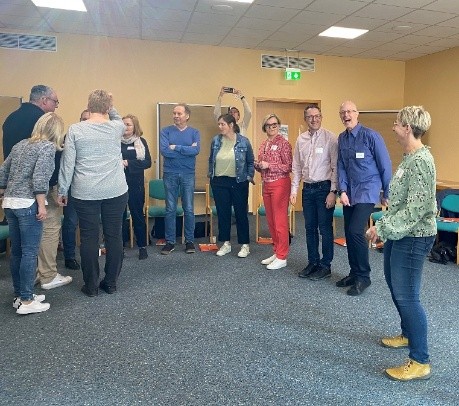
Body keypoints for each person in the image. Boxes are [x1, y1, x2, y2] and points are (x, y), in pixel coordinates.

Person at [366, 106, 436, 381]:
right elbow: (401, 203)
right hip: (400, 233)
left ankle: (420, 360)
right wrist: (386, 224)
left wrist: (382, 228)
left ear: (407, 128)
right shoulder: (409, 158)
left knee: (408, 296)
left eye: (397, 123)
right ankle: (408, 334)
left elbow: (416, 210)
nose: (394, 127)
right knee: (396, 285)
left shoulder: (421, 161)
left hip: (415, 236)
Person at [58, 90, 128, 297]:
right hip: (115, 190)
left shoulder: (75, 129)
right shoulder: (116, 127)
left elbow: (68, 163)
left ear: (88, 107)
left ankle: (91, 287)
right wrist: (111, 104)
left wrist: (63, 189)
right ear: (107, 107)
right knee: (114, 236)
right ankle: (111, 283)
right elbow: (116, 116)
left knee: (89, 237)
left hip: (85, 191)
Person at [0, 112, 65, 314]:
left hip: (10, 203)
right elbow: (40, 178)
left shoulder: (20, 144)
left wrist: (3, 192)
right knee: (29, 252)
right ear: (56, 131)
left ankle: (20, 295)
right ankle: (27, 301)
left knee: (17, 252)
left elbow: (3, 171)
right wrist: (42, 205)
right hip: (28, 204)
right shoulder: (47, 147)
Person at [336, 100, 392, 296]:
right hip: (349, 193)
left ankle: (363, 276)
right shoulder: (342, 138)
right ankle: (354, 273)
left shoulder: (371, 136)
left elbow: (385, 165)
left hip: (368, 190)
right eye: (343, 112)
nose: (346, 115)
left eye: (350, 111)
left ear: (357, 113)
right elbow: (341, 166)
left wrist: (387, 192)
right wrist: (342, 190)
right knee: (348, 232)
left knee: (355, 231)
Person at [290, 104, 338, 281]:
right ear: (305, 119)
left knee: (325, 229)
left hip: (324, 189)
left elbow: (336, 167)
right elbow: (296, 167)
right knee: (309, 228)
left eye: (317, 116)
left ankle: (325, 266)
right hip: (308, 189)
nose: (314, 119)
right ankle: (313, 262)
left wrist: (333, 191)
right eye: (310, 116)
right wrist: (294, 190)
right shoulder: (300, 139)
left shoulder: (330, 138)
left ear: (321, 117)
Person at [208, 114, 254, 258]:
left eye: (222, 124)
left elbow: (250, 161)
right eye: (219, 124)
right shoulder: (216, 140)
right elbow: (211, 160)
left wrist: (249, 176)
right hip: (219, 182)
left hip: (238, 181)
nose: (220, 127)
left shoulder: (244, 141)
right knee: (223, 214)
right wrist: (211, 175)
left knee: (241, 213)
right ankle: (226, 243)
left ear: (231, 125)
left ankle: (245, 245)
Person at [159, 103, 200, 255]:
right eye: (174, 113)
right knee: (170, 208)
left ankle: (189, 241)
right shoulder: (165, 131)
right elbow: (165, 151)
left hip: (188, 174)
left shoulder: (194, 132)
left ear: (187, 116)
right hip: (170, 173)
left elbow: (196, 150)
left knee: (188, 208)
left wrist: (175, 147)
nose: (176, 116)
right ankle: (170, 242)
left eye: (179, 113)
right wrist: (187, 150)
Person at [255, 113, 292, 270]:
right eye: (268, 125)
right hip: (267, 184)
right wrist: (257, 165)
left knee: (279, 221)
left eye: (274, 125)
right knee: (271, 221)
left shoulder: (284, 143)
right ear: (265, 127)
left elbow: (288, 166)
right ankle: (276, 251)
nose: (271, 127)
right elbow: (262, 166)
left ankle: (282, 256)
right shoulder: (264, 144)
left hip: (280, 184)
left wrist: (269, 165)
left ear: (278, 126)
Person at [61, 110, 89, 271]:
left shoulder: (98, 137)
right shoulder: (70, 135)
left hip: (91, 187)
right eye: (83, 119)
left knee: (89, 223)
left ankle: (89, 254)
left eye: (88, 119)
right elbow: (66, 165)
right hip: (72, 186)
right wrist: (63, 189)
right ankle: (69, 257)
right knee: (70, 222)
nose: (86, 122)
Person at [121, 114, 152, 260]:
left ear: (135, 127)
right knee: (120, 217)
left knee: (137, 215)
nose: (125, 127)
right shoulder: (115, 141)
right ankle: (120, 248)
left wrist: (128, 163)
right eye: (123, 124)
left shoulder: (141, 141)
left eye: (128, 124)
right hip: (118, 184)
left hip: (136, 184)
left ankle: (142, 247)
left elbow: (147, 162)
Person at [2, 85, 59, 159]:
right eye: (55, 102)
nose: (56, 106)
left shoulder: (11, 117)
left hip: (11, 165)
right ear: (44, 100)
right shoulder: (43, 121)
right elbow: (49, 152)